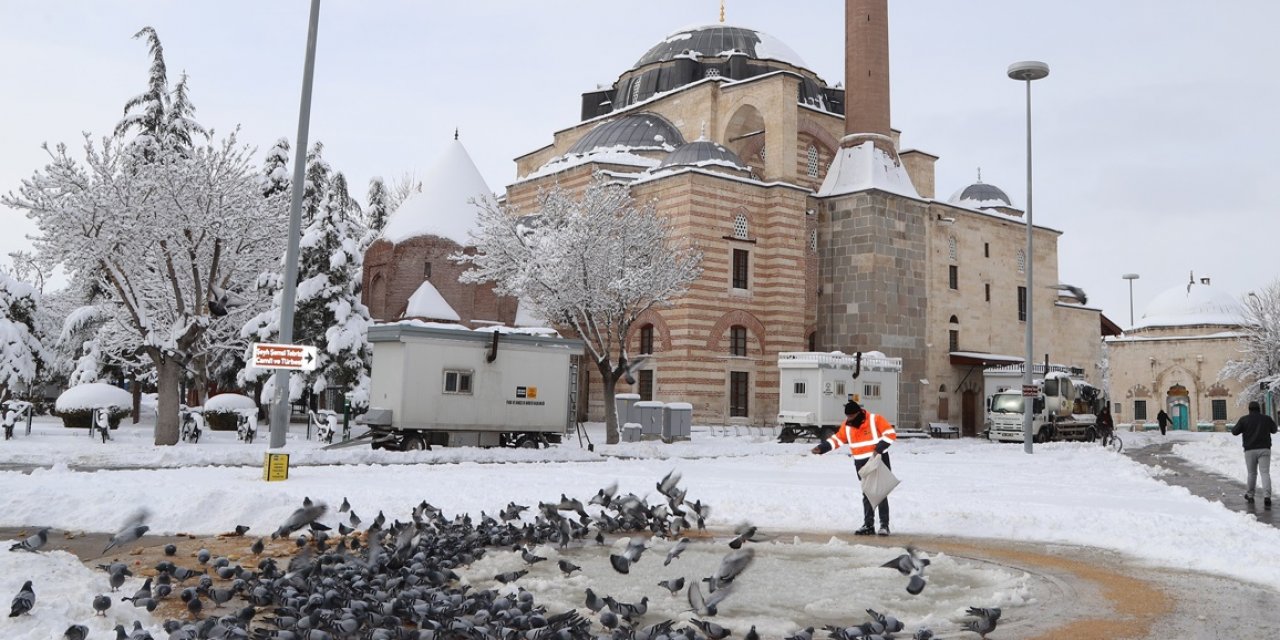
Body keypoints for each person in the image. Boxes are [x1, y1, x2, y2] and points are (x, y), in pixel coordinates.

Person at [811, 400, 897, 535]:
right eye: (848, 417)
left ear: (858, 413)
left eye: (851, 416)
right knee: (867, 493)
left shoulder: (875, 419)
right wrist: (822, 448)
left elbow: (890, 434)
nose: (849, 419)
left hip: (878, 460)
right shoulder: (847, 425)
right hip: (861, 464)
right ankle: (868, 525)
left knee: (880, 493)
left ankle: (884, 526)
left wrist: (878, 449)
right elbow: (838, 439)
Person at [1231, 401, 1276, 508]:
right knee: (1265, 473)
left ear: (1249, 409)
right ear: (1259, 409)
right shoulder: (1266, 419)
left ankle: (1250, 495)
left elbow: (1234, 432)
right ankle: (1267, 497)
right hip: (1265, 449)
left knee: (1252, 473)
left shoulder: (1244, 419)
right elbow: (1274, 430)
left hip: (1250, 450)